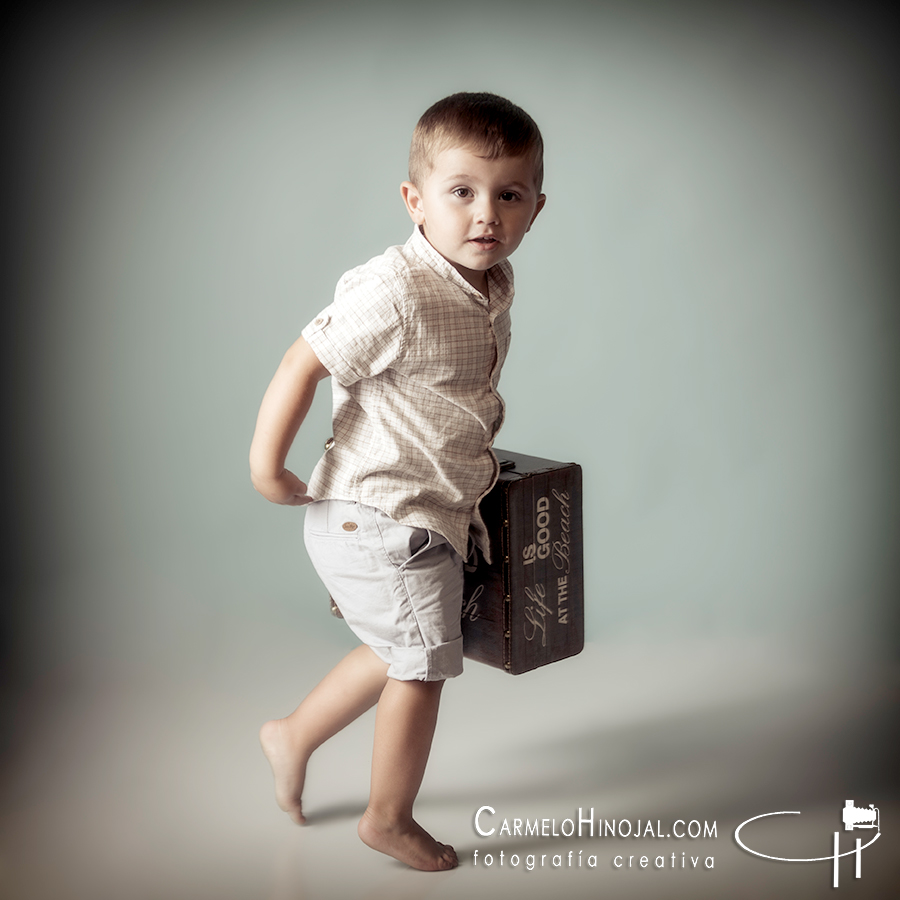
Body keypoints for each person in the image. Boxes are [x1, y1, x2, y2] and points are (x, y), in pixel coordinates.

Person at [249, 92, 546, 871]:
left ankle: (292, 734)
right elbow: (302, 361)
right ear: (415, 200)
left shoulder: (491, 282)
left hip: (419, 513)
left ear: (535, 208)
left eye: (508, 195)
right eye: (461, 192)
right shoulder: (398, 289)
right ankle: (388, 817)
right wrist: (266, 467)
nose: (486, 214)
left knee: (394, 649)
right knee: (421, 668)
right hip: (382, 516)